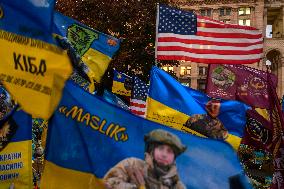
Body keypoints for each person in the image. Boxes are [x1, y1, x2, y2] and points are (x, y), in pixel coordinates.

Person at [103, 129, 187, 189]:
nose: (164, 154)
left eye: (169, 151)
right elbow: (109, 182)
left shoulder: (176, 184)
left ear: (174, 157)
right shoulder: (132, 164)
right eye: (161, 148)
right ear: (151, 151)